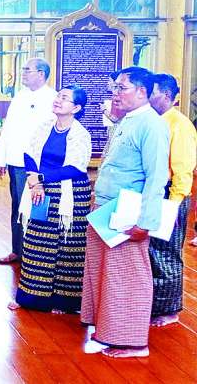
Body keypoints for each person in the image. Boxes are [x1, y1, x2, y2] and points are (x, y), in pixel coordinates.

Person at [80, 66, 170, 359]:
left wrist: (145, 222)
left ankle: (133, 342)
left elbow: (156, 177)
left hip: (128, 214)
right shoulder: (126, 120)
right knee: (103, 272)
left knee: (127, 276)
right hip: (105, 209)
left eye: (122, 88)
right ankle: (106, 330)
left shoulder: (151, 124)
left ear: (142, 92)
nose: (115, 94)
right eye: (115, 88)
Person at [8, 85, 92, 313]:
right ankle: (31, 298)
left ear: (76, 108)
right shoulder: (45, 126)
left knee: (67, 248)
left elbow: (76, 167)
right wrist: (36, 182)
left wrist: (40, 178)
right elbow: (29, 153)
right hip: (41, 192)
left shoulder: (81, 134)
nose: (58, 100)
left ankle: (64, 302)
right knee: (36, 243)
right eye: (58, 96)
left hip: (70, 196)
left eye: (64, 98)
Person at [0, 58, 57, 264]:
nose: (23, 73)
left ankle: (35, 252)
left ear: (41, 74)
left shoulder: (52, 98)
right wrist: (1, 158)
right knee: (17, 206)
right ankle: (17, 250)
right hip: (15, 160)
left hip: (37, 166)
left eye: (27, 70)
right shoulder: (19, 96)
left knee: (35, 207)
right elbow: (7, 128)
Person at [148, 73, 197, 326]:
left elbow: (183, 168)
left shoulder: (179, 125)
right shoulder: (154, 121)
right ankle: (152, 305)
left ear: (166, 95)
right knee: (152, 250)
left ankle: (169, 310)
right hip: (156, 192)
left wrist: (175, 203)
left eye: (152, 92)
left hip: (172, 194)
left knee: (166, 253)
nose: (148, 96)